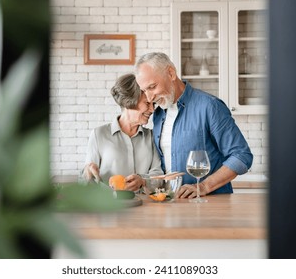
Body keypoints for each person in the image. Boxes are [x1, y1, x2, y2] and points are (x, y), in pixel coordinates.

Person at [134, 52, 253, 198]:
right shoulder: (158, 114)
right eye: (145, 90)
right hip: (173, 202)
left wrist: (203, 186)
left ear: (171, 73)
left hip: (210, 203)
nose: (149, 97)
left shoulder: (210, 106)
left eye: (152, 87)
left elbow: (241, 155)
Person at [82, 73, 163, 192]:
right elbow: (87, 179)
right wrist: (87, 173)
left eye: (153, 104)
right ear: (129, 102)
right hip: (109, 206)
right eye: (147, 103)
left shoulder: (151, 136)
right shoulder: (99, 134)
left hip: (144, 206)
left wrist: (143, 181)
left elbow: (158, 175)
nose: (152, 109)